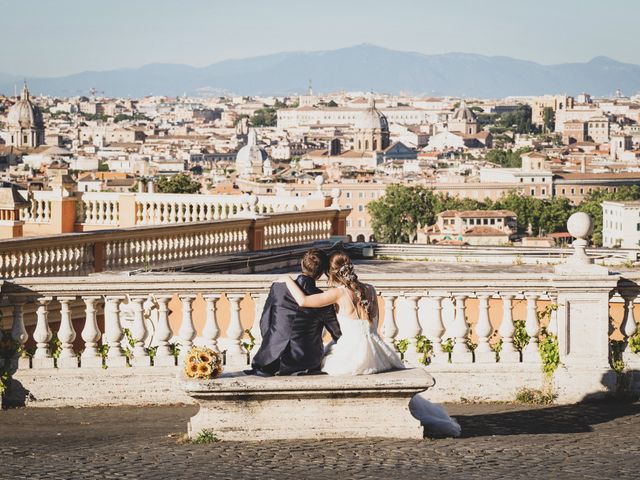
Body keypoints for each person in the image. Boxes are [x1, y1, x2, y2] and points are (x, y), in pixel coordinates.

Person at [281, 251, 404, 375]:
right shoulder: (370, 289)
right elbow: (375, 321)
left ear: (330, 273)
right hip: (377, 352)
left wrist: (287, 279)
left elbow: (303, 301)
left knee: (323, 360)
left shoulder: (337, 293)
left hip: (352, 354)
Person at [247, 248, 342, 376]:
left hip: (269, 361)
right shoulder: (322, 299)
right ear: (321, 274)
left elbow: (265, 322)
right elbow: (337, 333)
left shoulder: (278, 288)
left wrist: (273, 344)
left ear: (302, 264)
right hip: (305, 361)